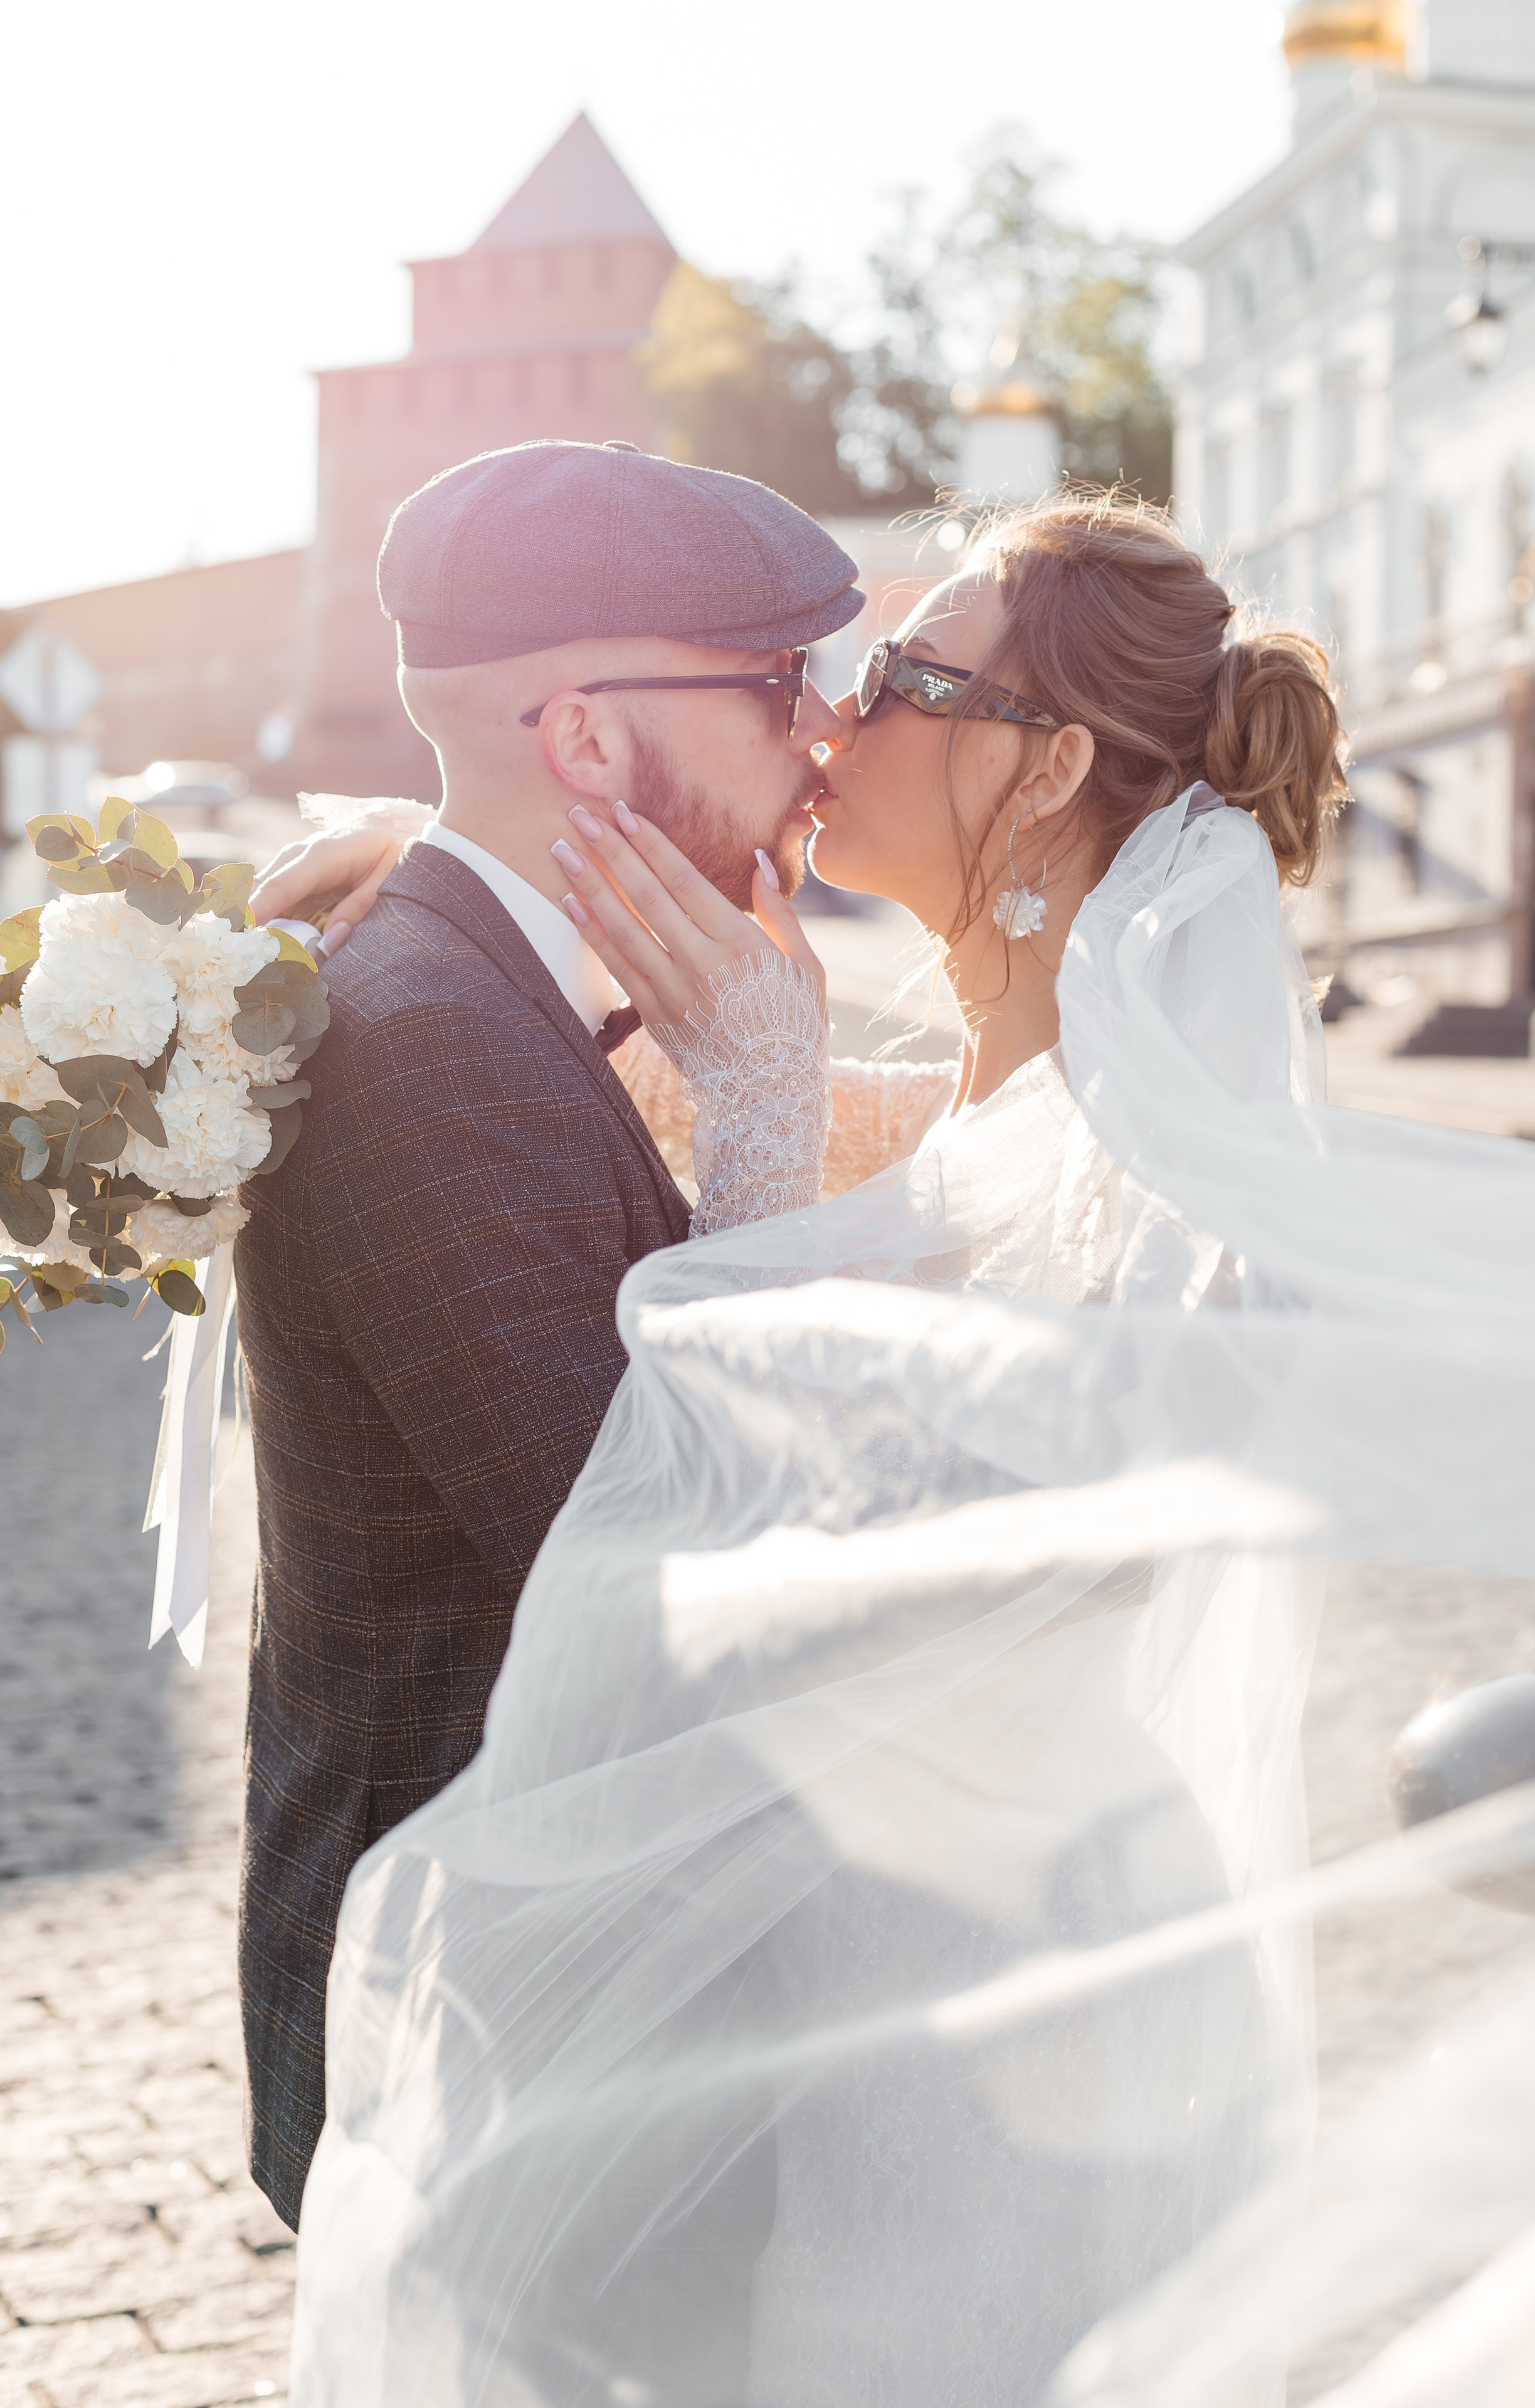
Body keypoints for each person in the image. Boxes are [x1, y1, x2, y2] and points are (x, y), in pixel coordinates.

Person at [264, 492, 1364, 2404]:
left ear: (1050, 776)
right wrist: (484, 879)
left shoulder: (1156, 1189)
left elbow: (754, 1591)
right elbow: (841, 1124)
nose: (838, 722)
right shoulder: (1005, 1105)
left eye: (902, 677)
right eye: (812, 679)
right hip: (814, 1981)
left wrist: (745, 1094)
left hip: (955, 2005)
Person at [232, 436, 862, 2229]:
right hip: (483, 2010)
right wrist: (759, 1123)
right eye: (778, 686)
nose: (822, 736)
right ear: (587, 738)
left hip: (537, 1972)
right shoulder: (428, 1034)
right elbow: (650, 1569)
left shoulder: (477, 976)